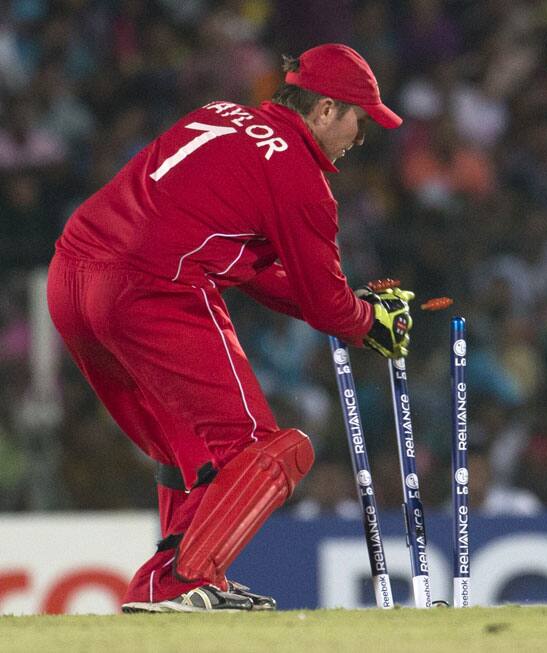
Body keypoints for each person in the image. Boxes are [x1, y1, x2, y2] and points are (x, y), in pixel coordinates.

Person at [46, 43, 414, 613]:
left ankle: (161, 589)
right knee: (261, 450)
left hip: (71, 278)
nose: (360, 138)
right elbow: (325, 306)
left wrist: (354, 309)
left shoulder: (220, 114)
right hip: (152, 287)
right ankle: (186, 581)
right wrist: (368, 321)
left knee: (192, 448)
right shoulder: (299, 177)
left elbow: (247, 268)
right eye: (358, 121)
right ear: (324, 111)